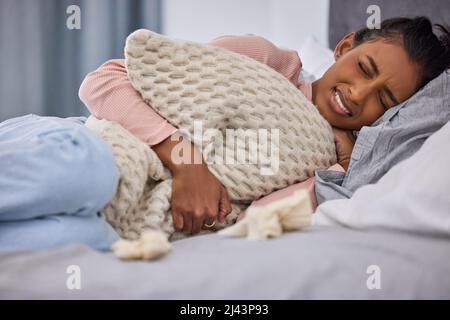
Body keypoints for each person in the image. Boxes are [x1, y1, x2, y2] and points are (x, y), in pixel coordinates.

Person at [1, 17, 448, 250]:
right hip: (100, 146)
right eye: (364, 69)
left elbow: (250, 219)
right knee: (86, 177)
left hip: (127, 218)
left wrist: (335, 170)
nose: (358, 94)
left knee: (63, 246)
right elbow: (104, 80)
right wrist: (186, 161)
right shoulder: (270, 62)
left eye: (384, 101)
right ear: (345, 45)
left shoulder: (326, 163)